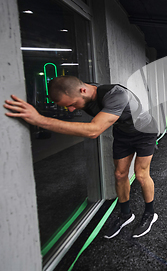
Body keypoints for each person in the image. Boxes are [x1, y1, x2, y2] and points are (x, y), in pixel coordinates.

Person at [4, 75, 158, 239]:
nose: (71, 109)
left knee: (141, 175)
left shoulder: (116, 95)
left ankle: (150, 213)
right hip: (122, 133)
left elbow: (94, 130)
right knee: (120, 174)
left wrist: (40, 120)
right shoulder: (82, 91)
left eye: (71, 104)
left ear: (83, 90)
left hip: (144, 132)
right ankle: (126, 215)